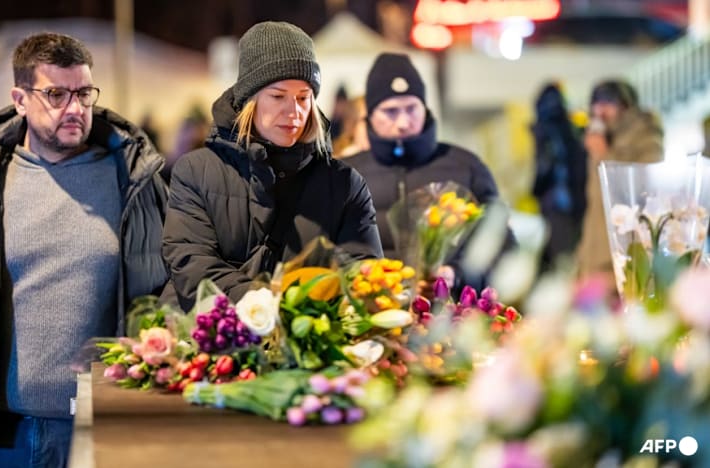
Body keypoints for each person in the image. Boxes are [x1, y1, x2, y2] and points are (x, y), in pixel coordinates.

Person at [0, 32, 170, 468]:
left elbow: (168, 286)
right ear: (20, 99)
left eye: (83, 93)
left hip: (99, 428)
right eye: (56, 94)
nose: (75, 108)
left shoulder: (135, 182)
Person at [162, 21, 382, 311]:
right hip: (217, 343)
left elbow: (363, 272)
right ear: (249, 99)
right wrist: (265, 309)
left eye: (304, 98)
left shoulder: (344, 184)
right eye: (278, 96)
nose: (294, 112)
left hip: (311, 347)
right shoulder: (196, 172)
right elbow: (192, 263)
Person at [344, 52, 515, 290]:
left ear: (425, 108)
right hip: (371, 315)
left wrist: (459, 274)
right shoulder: (346, 175)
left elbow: (500, 243)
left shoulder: (466, 167)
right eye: (390, 111)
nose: (403, 122)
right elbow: (328, 249)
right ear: (370, 116)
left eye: (411, 109)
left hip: (449, 317)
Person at [576, 79, 663, 288]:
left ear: (626, 106)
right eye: (596, 103)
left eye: (607, 103)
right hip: (595, 245)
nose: (600, 110)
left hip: (627, 247)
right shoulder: (601, 136)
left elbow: (644, 186)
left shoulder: (645, 135)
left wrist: (605, 154)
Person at [530, 82, 587, 271]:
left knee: (561, 257)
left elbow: (545, 168)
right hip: (572, 202)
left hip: (560, 203)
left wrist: (536, 190)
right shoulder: (571, 129)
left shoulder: (546, 130)